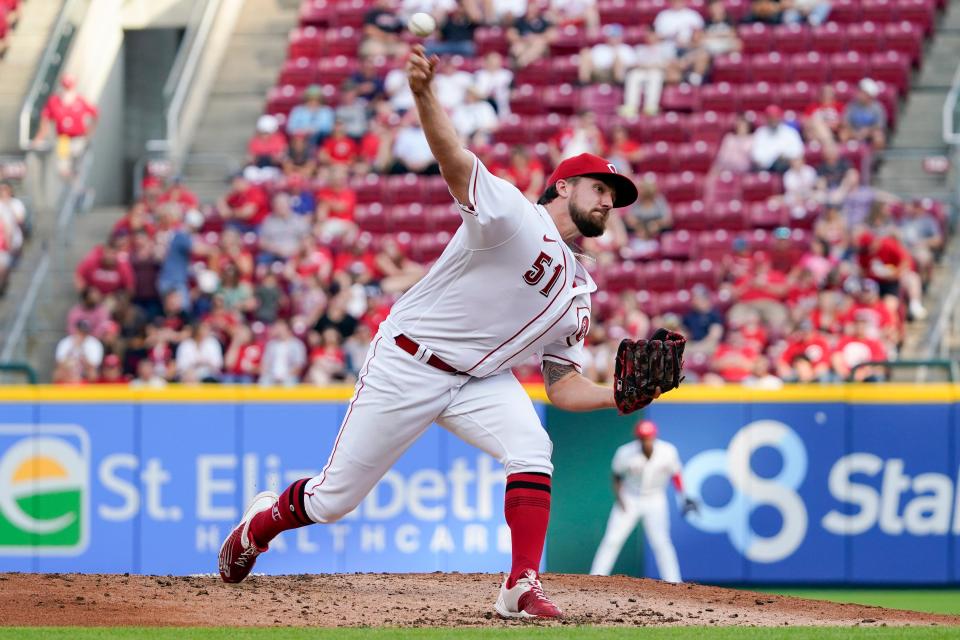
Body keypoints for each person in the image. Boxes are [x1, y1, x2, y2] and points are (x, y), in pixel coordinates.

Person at [218, 44, 655, 621]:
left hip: (480, 379)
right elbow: (455, 161)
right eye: (600, 187)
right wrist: (424, 93)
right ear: (563, 186)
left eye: (615, 196)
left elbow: (561, 383)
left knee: (531, 448)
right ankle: (261, 523)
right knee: (333, 500)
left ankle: (520, 586)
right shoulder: (515, 216)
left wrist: (615, 396)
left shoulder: (579, 288)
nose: (609, 200)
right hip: (409, 360)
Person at [589, 419, 697, 582]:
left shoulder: (667, 451)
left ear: (654, 436)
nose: (646, 440)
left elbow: (676, 475)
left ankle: (674, 582)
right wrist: (620, 499)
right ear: (637, 438)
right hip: (630, 498)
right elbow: (616, 476)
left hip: (655, 499)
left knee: (661, 542)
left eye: (649, 437)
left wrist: (683, 497)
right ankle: (595, 578)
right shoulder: (625, 452)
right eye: (643, 437)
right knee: (612, 539)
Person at [32, 74, 99, 179]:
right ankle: (69, 179)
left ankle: (76, 182)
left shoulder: (79, 101)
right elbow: (45, 120)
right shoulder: (54, 102)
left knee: (78, 165)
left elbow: (95, 114)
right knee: (63, 169)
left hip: (78, 138)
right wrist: (39, 137)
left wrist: (89, 132)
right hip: (63, 139)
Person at [750, 105, 804, 173]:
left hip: (788, 168)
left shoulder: (790, 132)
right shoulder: (760, 133)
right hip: (767, 169)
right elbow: (756, 157)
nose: (773, 120)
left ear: (780, 117)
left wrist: (785, 156)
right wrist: (774, 158)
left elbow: (798, 152)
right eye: (771, 118)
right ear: (766, 119)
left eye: (775, 117)